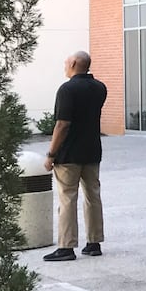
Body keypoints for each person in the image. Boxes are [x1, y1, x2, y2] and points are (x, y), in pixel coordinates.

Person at [42, 51, 109, 262]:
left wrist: (51, 154)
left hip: (69, 154)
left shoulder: (66, 89)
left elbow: (62, 124)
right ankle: (94, 242)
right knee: (93, 196)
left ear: (73, 63)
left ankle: (66, 246)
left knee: (68, 198)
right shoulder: (100, 88)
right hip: (92, 151)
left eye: (66, 61)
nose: (64, 64)